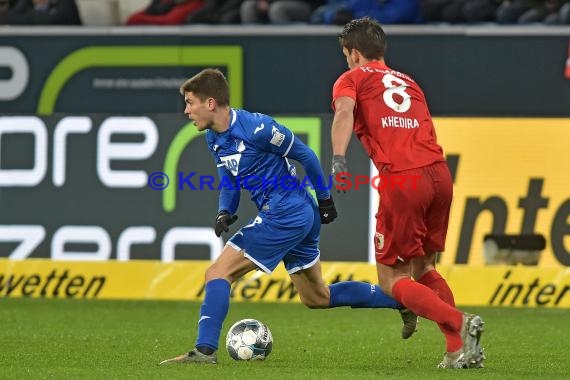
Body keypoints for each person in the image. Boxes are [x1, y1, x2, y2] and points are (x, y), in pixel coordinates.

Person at [159, 68, 417, 365]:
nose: (186, 110)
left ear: (210, 103)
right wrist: (225, 211)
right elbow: (228, 180)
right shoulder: (214, 138)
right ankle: (401, 299)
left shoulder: (258, 128)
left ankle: (204, 350)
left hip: (286, 213)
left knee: (217, 274)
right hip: (293, 215)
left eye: (190, 103)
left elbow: (304, 154)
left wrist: (325, 199)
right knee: (316, 297)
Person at [329, 18, 485, 369]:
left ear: (354, 54)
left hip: (404, 180)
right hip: (440, 175)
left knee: (390, 278)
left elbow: (343, 112)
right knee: (424, 265)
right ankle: (457, 350)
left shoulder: (351, 79)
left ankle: (461, 322)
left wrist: (339, 157)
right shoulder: (409, 81)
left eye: (345, 55)